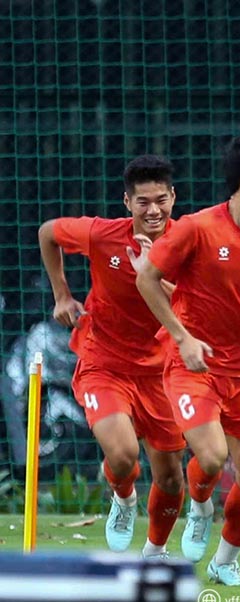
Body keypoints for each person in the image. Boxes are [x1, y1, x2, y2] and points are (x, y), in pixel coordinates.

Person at [136, 137, 240, 586]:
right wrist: (182, 337)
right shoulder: (197, 228)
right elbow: (147, 278)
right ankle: (200, 507)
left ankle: (225, 562)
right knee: (210, 457)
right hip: (195, 365)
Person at [38, 155, 186, 559]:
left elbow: (197, 304)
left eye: (161, 200)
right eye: (143, 201)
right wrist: (62, 295)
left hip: (163, 372)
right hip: (104, 362)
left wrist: (151, 276)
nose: (153, 210)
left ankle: (154, 553)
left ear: (173, 198)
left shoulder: (188, 242)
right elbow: (48, 232)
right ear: (127, 202)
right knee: (122, 455)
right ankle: (122, 499)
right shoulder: (102, 235)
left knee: (171, 479)